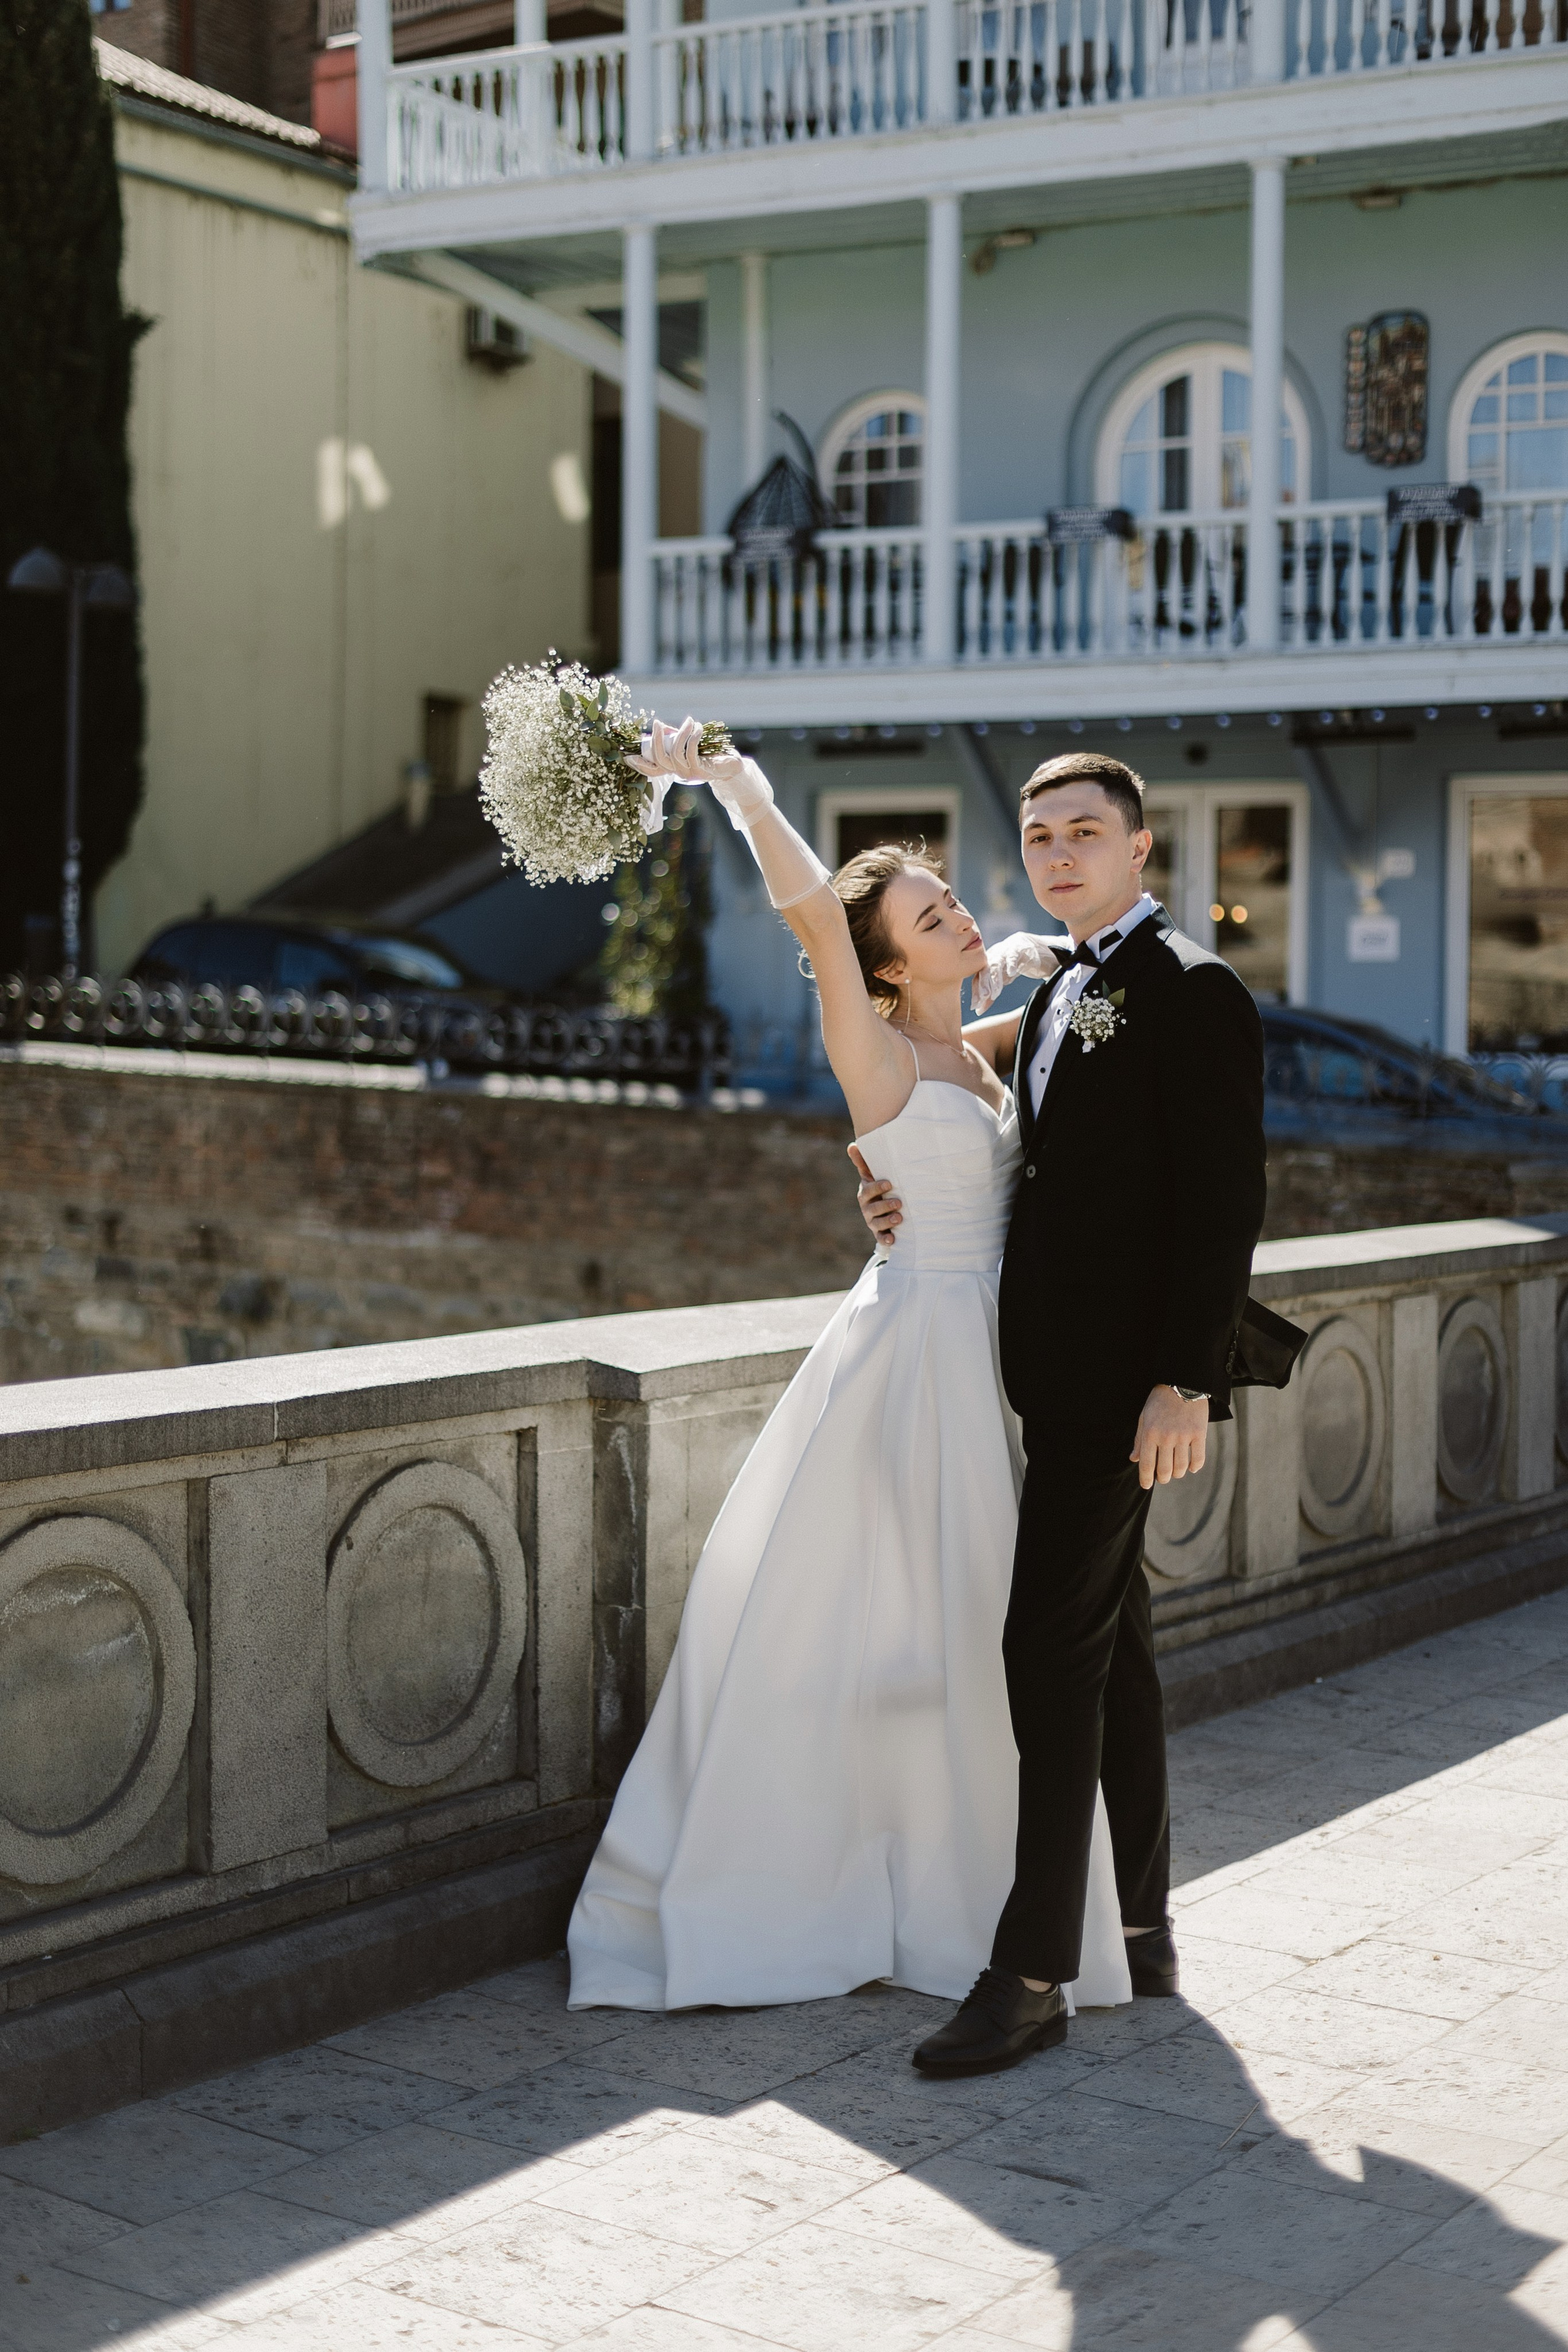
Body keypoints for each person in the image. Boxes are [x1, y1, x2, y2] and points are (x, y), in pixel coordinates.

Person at [565, 720, 1132, 2025]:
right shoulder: (868, 1047)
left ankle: (958, 1895)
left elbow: (1019, 1043)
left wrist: (1054, 959)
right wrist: (735, 784)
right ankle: (829, 1889)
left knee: (976, 1638)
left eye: (950, 905)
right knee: (886, 1624)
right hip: (908, 1358)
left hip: (993, 1353)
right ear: (883, 961)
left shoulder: (976, 1050)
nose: (961, 918)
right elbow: (814, 916)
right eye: (932, 915)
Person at [859, 752, 1267, 2076]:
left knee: (1043, 1657)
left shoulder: (1193, 993)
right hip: (1044, 1378)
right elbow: (945, 1105)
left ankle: (1031, 1970)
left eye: (1082, 832)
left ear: (1139, 848)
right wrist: (880, 1183)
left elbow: (1221, 1206)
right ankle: (1138, 1930)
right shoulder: (1054, 993)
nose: (1054, 853)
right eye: (1036, 835)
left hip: (1121, 1395)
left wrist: (1183, 1381)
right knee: (1117, 1653)